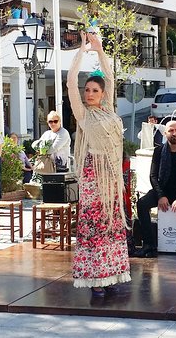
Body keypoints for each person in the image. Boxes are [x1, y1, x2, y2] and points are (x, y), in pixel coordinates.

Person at [67, 30, 130, 296]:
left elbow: (111, 77)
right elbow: (71, 83)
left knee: (111, 226)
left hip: (112, 179)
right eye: (87, 90)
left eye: (95, 90)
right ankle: (94, 280)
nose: (89, 93)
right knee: (93, 226)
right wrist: (81, 52)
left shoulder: (110, 111)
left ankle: (112, 275)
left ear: (103, 94)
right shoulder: (84, 115)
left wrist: (100, 49)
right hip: (93, 176)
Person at [135, 120, 176, 258]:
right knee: (142, 204)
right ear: (165, 133)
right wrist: (160, 195)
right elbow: (153, 176)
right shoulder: (159, 151)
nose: (174, 133)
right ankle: (149, 245)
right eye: (171, 131)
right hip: (164, 191)